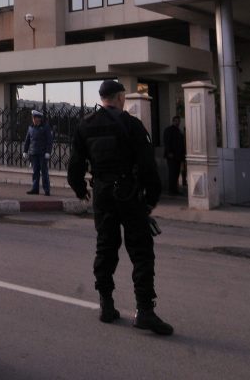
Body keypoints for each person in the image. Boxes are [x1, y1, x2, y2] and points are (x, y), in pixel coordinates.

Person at [68, 80, 173, 336]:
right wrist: (151, 198)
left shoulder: (85, 125)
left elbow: (75, 165)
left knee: (105, 247)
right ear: (120, 97)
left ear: (101, 98)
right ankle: (145, 310)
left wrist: (81, 190)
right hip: (129, 193)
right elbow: (148, 165)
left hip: (102, 193)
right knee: (141, 250)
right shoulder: (131, 124)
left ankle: (106, 304)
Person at [23, 109, 53, 196]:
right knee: (35, 172)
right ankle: (35, 189)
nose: (33, 120)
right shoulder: (31, 127)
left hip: (43, 154)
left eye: (35, 118)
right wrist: (25, 151)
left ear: (39, 118)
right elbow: (27, 140)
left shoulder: (45, 127)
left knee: (44, 172)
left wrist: (48, 152)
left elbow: (49, 141)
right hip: (33, 153)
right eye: (33, 118)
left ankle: (46, 190)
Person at [162, 115, 186, 195]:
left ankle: (174, 189)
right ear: (173, 121)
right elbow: (167, 142)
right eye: (176, 121)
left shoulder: (178, 131)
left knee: (176, 173)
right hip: (172, 156)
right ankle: (171, 190)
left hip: (178, 156)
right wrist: (169, 152)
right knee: (172, 173)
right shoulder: (169, 130)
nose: (178, 122)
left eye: (179, 121)